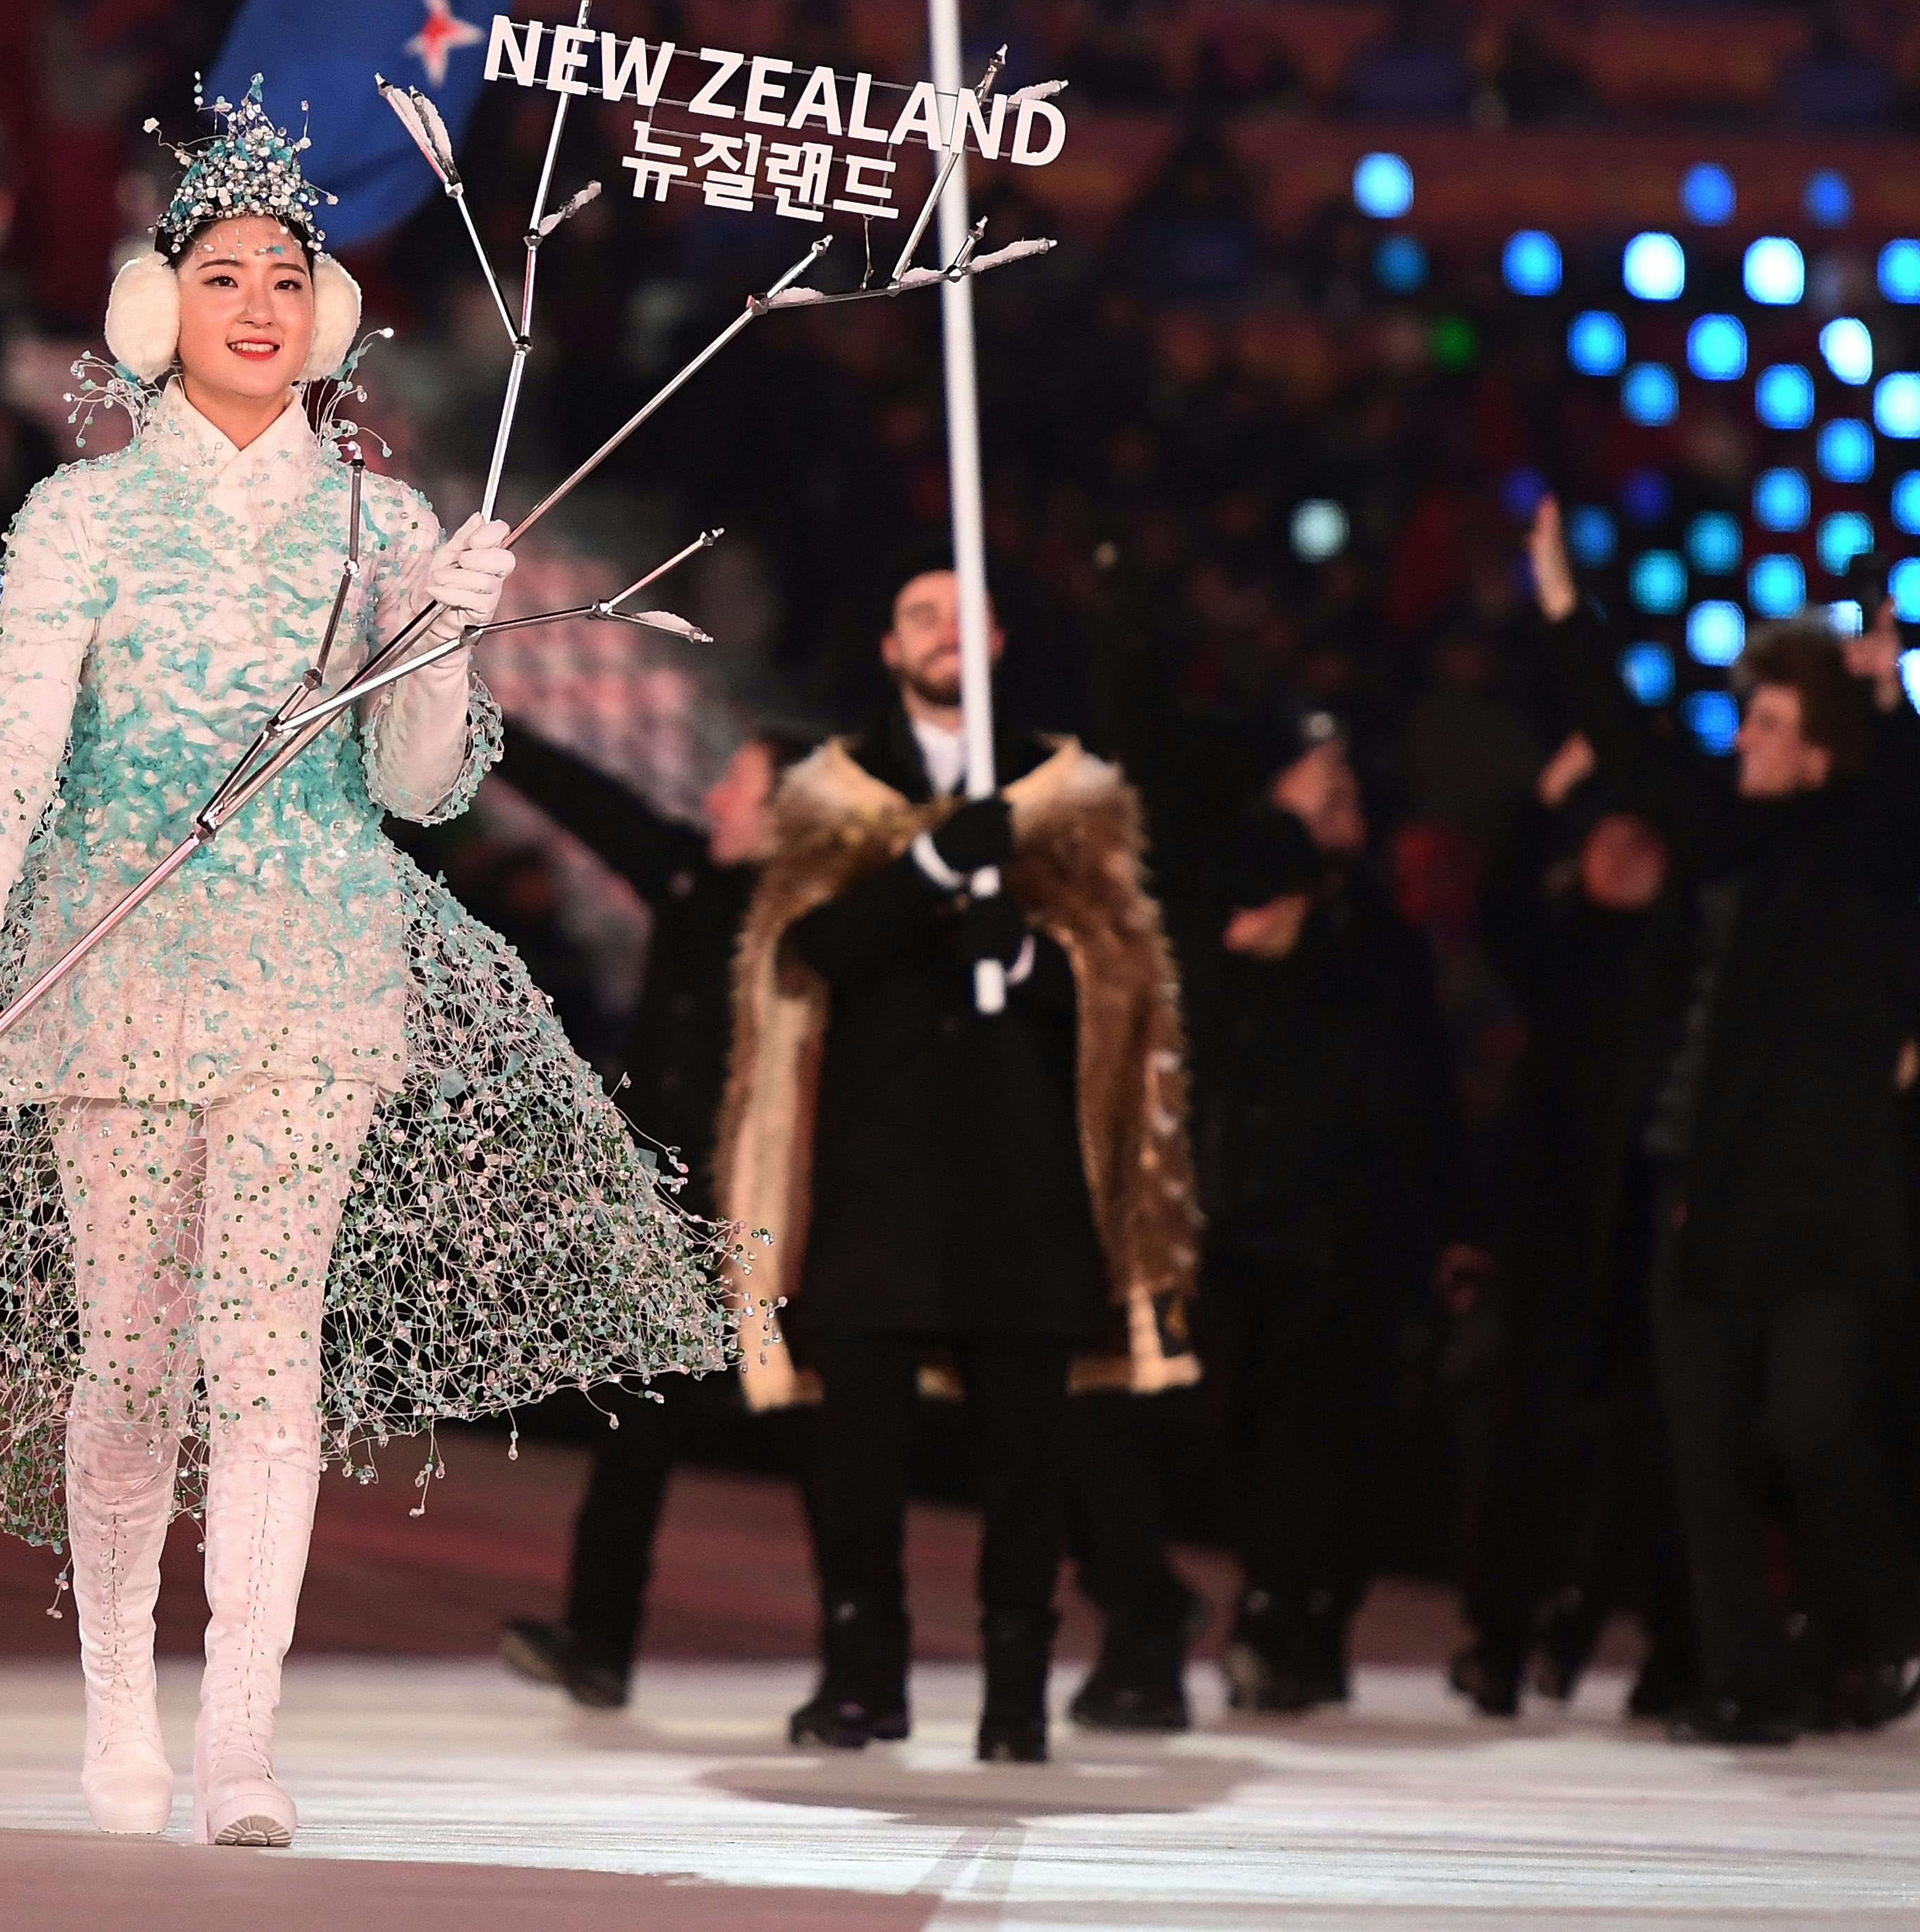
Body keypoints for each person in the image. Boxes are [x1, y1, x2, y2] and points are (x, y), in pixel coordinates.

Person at [0, 91, 734, 1845]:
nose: (259, 305)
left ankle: (241, 1744)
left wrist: (444, 633)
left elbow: (420, 790)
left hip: (316, 965)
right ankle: (122, 1711)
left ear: (321, 315)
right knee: (131, 1354)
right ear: (165, 307)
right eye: (223, 275)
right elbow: (9, 758)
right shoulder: (80, 518)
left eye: (286, 278)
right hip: (115, 960)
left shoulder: (378, 523)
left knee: (267, 1351)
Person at [715, 550, 1198, 1764]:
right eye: (916, 612)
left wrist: (1028, 956)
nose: (939, 631)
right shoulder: (832, 795)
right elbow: (807, 950)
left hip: (1022, 1184)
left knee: (1029, 1459)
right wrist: (930, 869)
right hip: (879, 1185)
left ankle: (1016, 1693)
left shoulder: (1066, 795)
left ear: (993, 643)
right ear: (888, 646)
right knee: (858, 1452)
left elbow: (1125, 985)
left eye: (961, 614)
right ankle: (862, 1676)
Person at [1525, 497, 1920, 1743]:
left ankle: (1891, 1598)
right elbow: (1630, 744)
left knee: (1805, 1426)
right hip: (1696, 1189)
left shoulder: (1854, 851)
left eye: (1770, 724)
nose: (1745, 738)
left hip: (1814, 1204)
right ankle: (1748, 1683)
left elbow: (1909, 822)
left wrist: (1893, 696)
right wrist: (1562, 608)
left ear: (1822, 750)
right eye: (1747, 717)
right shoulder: (1718, 834)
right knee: (1701, 1458)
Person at [490, 714, 822, 1710]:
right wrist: (478, 715)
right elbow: (590, 801)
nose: (713, 797)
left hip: (778, 1222)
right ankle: (598, 1639)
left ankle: (869, 1655)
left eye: (739, 785)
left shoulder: (825, 927)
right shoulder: (691, 880)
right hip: (681, 1212)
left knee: (828, 1434)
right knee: (637, 1420)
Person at [1191, 713, 1469, 1714]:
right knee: (1261, 1435)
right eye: (1319, 788)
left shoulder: (1382, 936)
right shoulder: (1234, 919)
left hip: (1359, 1233)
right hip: (1253, 1229)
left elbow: (1422, 1090)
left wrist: (1451, 1223)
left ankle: (1303, 1619)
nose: (1340, 801)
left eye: (1347, 788)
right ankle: (1278, 1609)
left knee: (1336, 1442)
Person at [1452, 727, 1701, 1719]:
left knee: (1653, 1457)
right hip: (1557, 1237)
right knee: (1531, 1443)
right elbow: (1499, 908)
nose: (1618, 851)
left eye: (1639, 838)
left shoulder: (1688, 965)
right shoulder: (1561, 952)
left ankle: (1610, 1631)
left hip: (1657, 1237)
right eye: (1603, 838)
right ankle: (1505, 1641)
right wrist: (1545, 799)